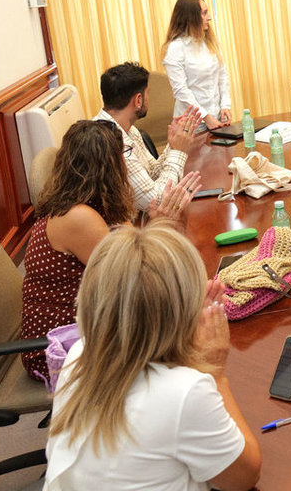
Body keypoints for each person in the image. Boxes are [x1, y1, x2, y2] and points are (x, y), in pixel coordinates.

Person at [44, 223, 261, 490]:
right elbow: (243, 478)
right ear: (180, 312)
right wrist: (216, 373)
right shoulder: (184, 393)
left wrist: (183, 333)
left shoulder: (79, 353)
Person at [20, 120, 199, 383]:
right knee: (177, 328)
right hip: (61, 346)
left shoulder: (96, 203)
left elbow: (132, 253)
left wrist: (155, 226)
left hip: (94, 321)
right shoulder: (77, 217)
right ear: (109, 166)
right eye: (123, 155)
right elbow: (133, 278)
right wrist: (163, 226)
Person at [96, 61, 203, 210]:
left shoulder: (129, 130)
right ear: (138, 100)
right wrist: (179, 151)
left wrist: (173, 144)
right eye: (148, 93)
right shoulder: (111, 141)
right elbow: (156, 201)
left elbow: (152, 174)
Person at [162, 0, 232, 130]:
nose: (209, 17)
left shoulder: (209, 43)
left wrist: (225, 105)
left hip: (216, 118)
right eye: (204, 13)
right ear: (191, 17)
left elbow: (222, 76)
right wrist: (206, 117)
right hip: (191, 125)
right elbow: (181, 90)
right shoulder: (175, 49)